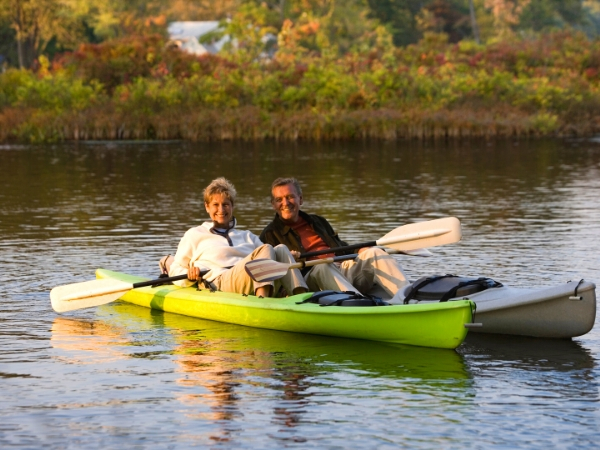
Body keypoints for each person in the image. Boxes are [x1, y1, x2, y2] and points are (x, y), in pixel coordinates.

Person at [259, 177, 409, 300]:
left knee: (375, 253)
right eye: (279, 199)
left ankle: (409, 298)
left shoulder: (318, 221)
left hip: (342, 269)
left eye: (290, 197)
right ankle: (358, 305)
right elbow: (271, 276)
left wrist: (360, 249)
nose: (285, 203)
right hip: (313, 280)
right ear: (273, 205)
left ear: (301, 199)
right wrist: (287, 260)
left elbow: (340, 245)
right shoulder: (269, 235)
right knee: (323, 266)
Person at [161, 177, 308, 298]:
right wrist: (188, 275)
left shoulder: (247, 236)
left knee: (281, 249)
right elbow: (175, 269)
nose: (221, 210)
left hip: (247, 279)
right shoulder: (195, 234)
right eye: (215, 205)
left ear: (232, 206)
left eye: (225, 204)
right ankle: (262, 301)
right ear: (207, 207)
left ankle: (301, 297)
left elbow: (269, 256)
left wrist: (289, 257)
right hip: (218, 282)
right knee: (267, 248)